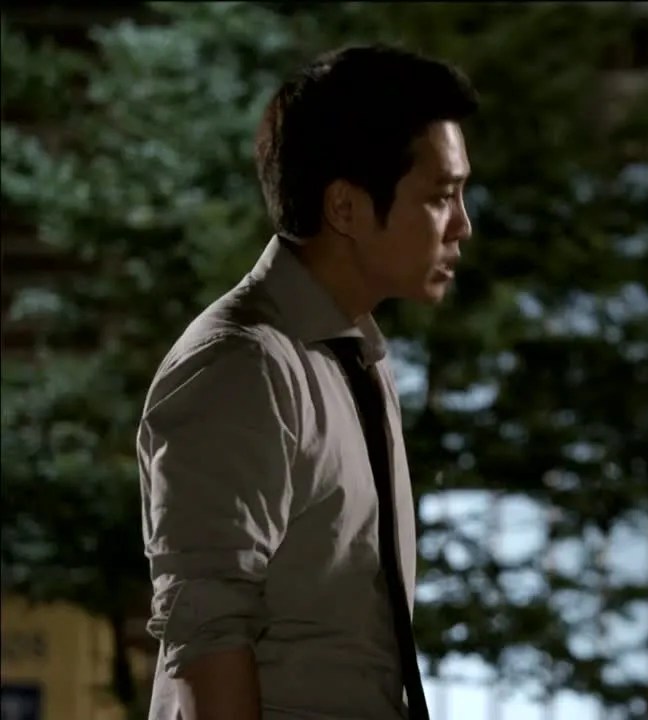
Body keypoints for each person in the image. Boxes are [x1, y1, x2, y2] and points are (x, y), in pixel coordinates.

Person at [137, 44, 477, 720]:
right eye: (441, 197)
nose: (462, 226)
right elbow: (208, 632)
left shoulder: (355, 357)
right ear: (345, 207)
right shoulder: (243, 367)